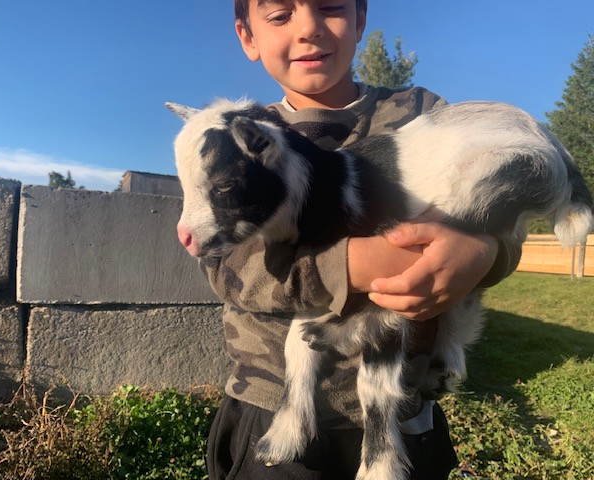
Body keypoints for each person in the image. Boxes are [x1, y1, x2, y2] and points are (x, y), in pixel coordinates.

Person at [203, 1, 520, 478]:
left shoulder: (423, 116)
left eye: (330, 7)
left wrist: (485, 251)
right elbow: (228, 265)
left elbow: (503, 202)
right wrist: (356, 263)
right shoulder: (230, 142)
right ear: (247, 36)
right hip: (272, 406)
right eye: (280, 15)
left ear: (359, 19)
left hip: (401, 415)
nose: (309, 28)